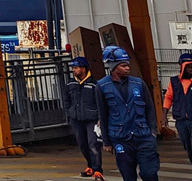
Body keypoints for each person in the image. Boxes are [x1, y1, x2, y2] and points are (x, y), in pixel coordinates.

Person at [96, 46, 159, 181]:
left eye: (128, 65)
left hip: (143, 137)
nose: (127, 68)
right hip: (121, 139)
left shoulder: (138, 83)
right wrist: (106, 142)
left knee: (150, 173)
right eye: (123, 65)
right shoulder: (102, 86)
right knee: (128, 176)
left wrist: (152, 131)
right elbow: (103, 114)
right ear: (113, 68)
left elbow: (150, 108)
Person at [64, 56, 103, 180]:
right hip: (76, 119)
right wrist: (70, 111)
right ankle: (90, 166)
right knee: (82, 144)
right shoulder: (70, 83)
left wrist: (100, 118)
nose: (73, 70)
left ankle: (97, 169)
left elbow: (100, 102)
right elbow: (66, 99)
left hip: (92, 119)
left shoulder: (94, 84)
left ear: (83, 68)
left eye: (76, 68)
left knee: (93, 144)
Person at [164, 52, 192, 165]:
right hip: (181, 121)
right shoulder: (174, 81)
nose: (191, 69)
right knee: (187, 145)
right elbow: (168, 98)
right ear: (182, 66)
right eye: (188, 66)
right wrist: (164, 116)